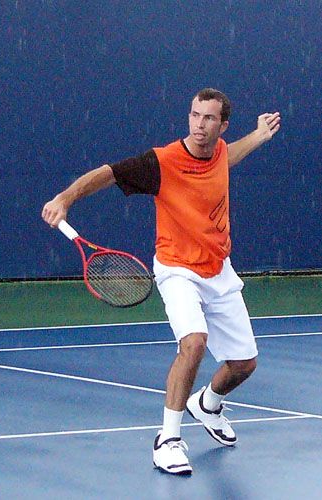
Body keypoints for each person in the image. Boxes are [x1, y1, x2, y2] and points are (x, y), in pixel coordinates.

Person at [42, 88, 281, 475]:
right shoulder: (162, 161)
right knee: (194, 343)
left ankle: (207, 404)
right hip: (177, 269)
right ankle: (168, 439)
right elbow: (109, 173)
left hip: (218, 268)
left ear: (222, 126)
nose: (198, 124)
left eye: (208, 119)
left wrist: (258, 136)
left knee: (243, 365)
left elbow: (227, 157)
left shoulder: (219, 151)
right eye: (194, 115)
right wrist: (65, 198)